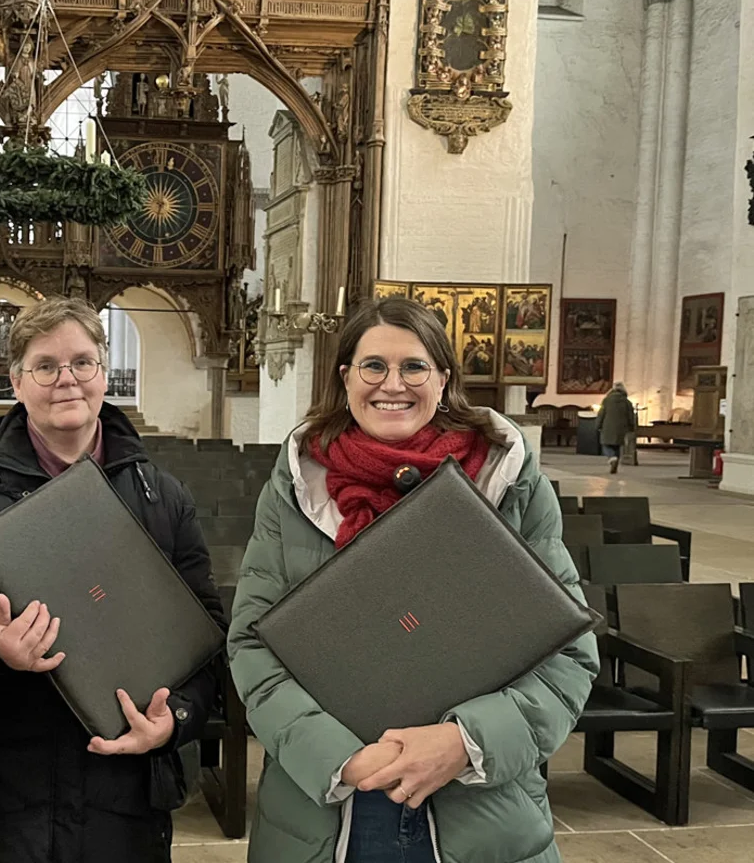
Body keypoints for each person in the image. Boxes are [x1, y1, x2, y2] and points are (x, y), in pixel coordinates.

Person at [228, 296, 597, 863]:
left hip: (480, 804)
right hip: (332, 803)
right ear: (346, 376)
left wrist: (465, 743)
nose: (391, 383)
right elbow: (254, 642)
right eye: (373, 365)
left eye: (414, 366)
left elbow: (566, 649)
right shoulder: (298, 483)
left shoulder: (507, 480)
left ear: (444, 379)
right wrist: (337, 758)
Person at [0, 297, 227, 863]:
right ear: (17, 382)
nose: (65, 380)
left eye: (82, 362)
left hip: (120, 790)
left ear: (104, 374)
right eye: (45, 366)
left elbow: (204, 637)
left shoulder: (162, 497)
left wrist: (174, 722)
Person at [596, 381, 635, 474]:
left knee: (605, 444)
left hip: (607, 426)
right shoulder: (627, 402)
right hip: (622, 427)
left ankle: (612, 458)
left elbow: (601, 414)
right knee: (617, 446)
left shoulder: (607, 400)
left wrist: (598, 425)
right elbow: (631, 416)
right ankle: (615, 464)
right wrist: (631, 427)